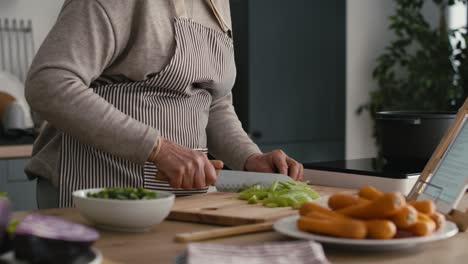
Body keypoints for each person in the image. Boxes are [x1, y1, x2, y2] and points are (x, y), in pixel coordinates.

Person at [25, 0, 304, 209]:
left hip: (183, 198)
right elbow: (48, 83)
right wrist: (158, 147)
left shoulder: (217, 4)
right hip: (100, 192)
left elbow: (212, 100)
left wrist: (248, 157)